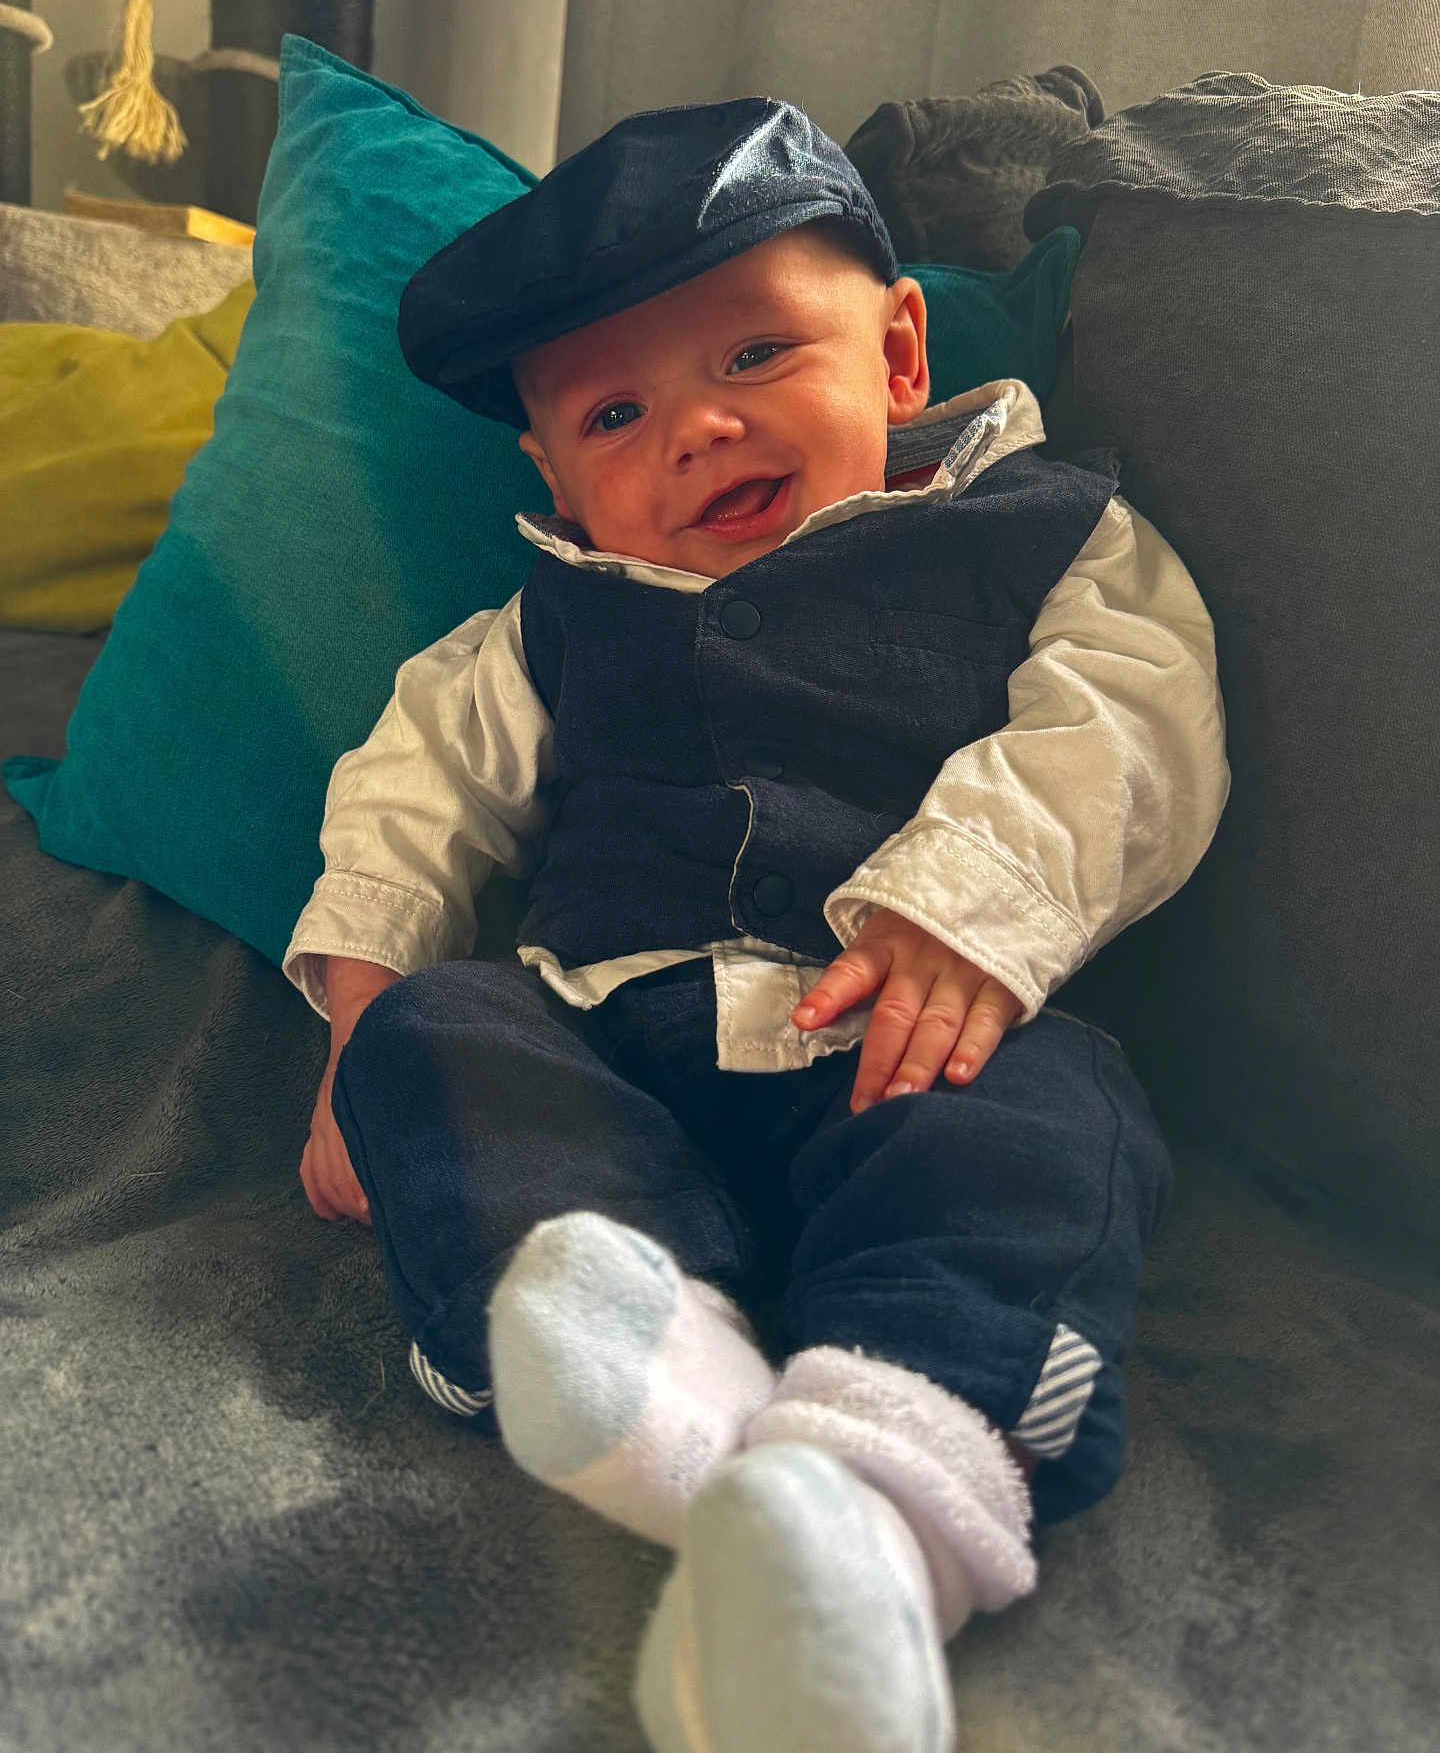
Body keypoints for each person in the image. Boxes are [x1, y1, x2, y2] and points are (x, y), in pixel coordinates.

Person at [284, 97, 1229, 1753]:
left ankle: (879, 1491)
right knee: (444, 1036)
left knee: (1054, 1118)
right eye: (619, 412)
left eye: (752, 358)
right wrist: (360, 1016)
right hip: (613, 1048)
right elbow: (411, 789)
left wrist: (965, 912)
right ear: (557, 477)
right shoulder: (543, 626)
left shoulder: (1044, 533)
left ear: (901, 350)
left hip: (904, 1034)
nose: (699, 434)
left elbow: (1131, 725)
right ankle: (652, 1380)